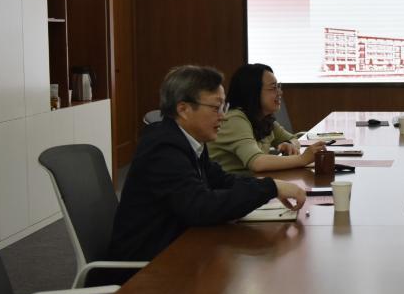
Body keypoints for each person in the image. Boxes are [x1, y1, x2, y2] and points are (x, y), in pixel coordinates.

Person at [110, 65, 307, 262]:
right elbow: (201, 207)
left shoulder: (191, 141)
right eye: (215, 108)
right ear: (184, 109)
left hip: (179, 248)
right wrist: (270, 188)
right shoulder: (163, 148)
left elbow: (222, 180)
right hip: (147, 265)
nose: (222, 116)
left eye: (223, 107)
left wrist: (271, 187)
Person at [209, 63, 326, 174]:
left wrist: (289, 144)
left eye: (278, 86)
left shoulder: (264, 119)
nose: (280, 92)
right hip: (229, 186)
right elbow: (257, 163)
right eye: (273, 88)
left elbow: (294, 138)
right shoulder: (234, 119)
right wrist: (302, 159)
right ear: (253, 92)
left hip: (251, 182)